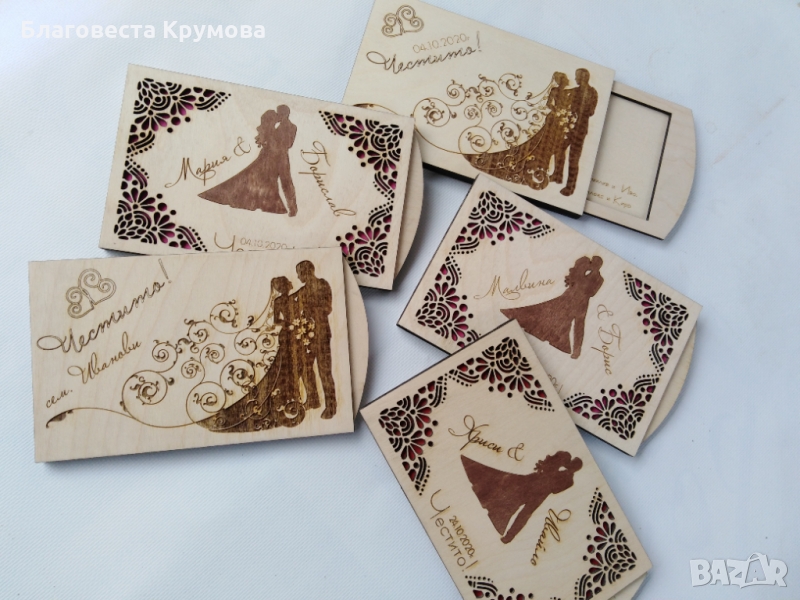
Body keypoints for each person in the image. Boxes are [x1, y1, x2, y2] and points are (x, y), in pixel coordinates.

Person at [197, 276, 306, 432]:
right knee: (285, 368)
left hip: (297, 335)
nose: (288, 285)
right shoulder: (279, 301)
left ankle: (293, 399)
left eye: (286, 284)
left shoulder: (295, 297)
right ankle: (283, 402)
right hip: (288, 336)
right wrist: (289, 325)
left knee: (294, 367)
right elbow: (276, 320)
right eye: (284, 285)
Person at [461, 452, 583, 544]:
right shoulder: (563, 460)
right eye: (573, 463)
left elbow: (555, 490)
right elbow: (547, 465)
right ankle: (484, 497)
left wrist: (552, 475)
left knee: (523, 514)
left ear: (576, 468)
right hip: (533, 482)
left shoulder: (569, 480)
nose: (572, 465)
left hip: (539, 493)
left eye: (574, 465)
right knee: (509, 491)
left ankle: (508, 535)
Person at [198, 106, 298, 215]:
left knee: (286, 181)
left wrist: (272, 140)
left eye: (281, 113)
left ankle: (292, 207)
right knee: (256, 176)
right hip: (268, 156)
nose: (279, 116)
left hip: (281, 158)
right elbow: (269, 139)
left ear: (286, 114)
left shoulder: (292, 127)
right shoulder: (273, 125)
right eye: (279, 113)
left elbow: (289, 144)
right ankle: (259, 202)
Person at [501, 256, 604, 359]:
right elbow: (575, 278)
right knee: (550, 310)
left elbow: (592, 293)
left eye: (597, 263)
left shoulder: (599, 279)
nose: (595, 264)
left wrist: (587, 278)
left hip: (582, 303)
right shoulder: (583, 267)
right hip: (569, 297)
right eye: (594, 262)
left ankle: (577, 350)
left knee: (579, 324)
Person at [292, 261, 337, 419]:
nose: (298, 277)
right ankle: (313, 399)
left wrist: (309, 309)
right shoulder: (301, 291)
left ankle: (331, 406)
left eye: (299, 273)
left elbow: (327, 308)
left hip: (321, 333)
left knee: (324, 370)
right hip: (306, 336)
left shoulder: (322, 284)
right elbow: (291, 303)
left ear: (307, 271)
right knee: (305, 367)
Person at [560, 68, 597, 196]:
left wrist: (578, 110)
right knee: (559, 149)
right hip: (569, 128)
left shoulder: (592, 92)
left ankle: (570, 187)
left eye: (577, 77)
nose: (575, 79)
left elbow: (591, 111)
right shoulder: (575, 91)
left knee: (573, 159)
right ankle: (558, 176)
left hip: (580, 130)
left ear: (583, 78)